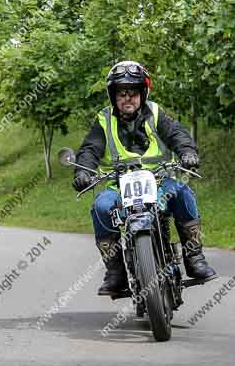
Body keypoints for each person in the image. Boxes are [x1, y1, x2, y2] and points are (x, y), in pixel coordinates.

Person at [73, 61, 217, 296]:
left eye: (133, 93)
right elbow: (90, 149)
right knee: (101, 206)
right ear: (113, 96)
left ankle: (194, 257)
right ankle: (115, 270)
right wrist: (83, 172)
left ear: (142, 93)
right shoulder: (104, 119)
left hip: (159, 181)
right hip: (119, 186)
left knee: (182, 193)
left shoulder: (156, 113)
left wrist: (187, 152)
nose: (127, 98)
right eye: (121, 93)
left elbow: (177, 134)